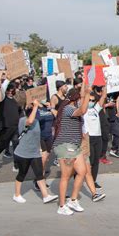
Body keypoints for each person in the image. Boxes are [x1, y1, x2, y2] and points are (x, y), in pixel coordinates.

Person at [52, 86, 91, 215]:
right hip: (65, 146)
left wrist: (85, 94)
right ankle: (62, 206)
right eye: (80, 99)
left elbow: (81, 109)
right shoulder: (68, 109)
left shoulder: (71, 107)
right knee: (65, 176)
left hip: (74, 146)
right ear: (76, 99)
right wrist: (86, 94)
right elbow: (83, 110)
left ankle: (73, 200)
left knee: (82, 171)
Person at [12, 99, 58, 204]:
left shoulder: (37, 121)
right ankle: (17, 194)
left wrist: (46, 106)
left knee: (39, 174)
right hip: (23, 153)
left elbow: (39, 133)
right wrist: (36, 106)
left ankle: (45, 196)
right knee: (22, 174)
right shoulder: (23, 120)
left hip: (34, 152)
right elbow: (30, 121)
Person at [0, 82, 22, 171]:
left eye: (13, 91)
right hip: (5, 127)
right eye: (10, 90)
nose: (11, 92)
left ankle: (16, 165)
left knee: (16, 144)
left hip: (14, 126)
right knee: (3, 145)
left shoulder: (16, 101)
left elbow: (20, 111)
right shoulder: (2, 99)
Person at [82, 85, 108, 201]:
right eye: (90, 100)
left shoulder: (96, 108)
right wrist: (85, 84)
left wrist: (106, 85)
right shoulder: (83, 110)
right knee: (90, 161)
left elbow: (104, 96)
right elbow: (83, 94)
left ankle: (93, 180)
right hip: (88, 138)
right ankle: (86, 179)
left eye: (93, 100)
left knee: (96, 161)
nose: (91, 102)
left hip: (98, 137)